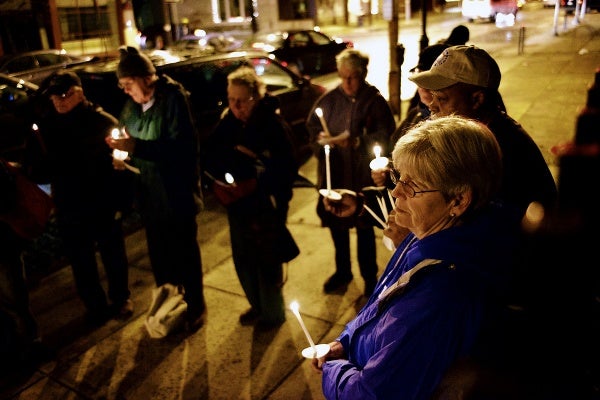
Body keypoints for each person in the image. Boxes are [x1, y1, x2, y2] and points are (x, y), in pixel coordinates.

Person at [312, 116, 524, 400]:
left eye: (412, 185)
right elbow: (379, 306)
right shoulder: (431, 231)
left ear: (458, 201)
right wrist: (346, 341)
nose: (396, 191)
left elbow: (371, 395)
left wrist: (333, 370)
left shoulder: (438, 299)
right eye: (398, 176)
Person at [106, 46, 206, 331]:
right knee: (161, 259)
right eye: (122, 86)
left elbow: (180, 149)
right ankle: (169, 305)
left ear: (145, 78)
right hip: (149, 197)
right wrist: (122, 157)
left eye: (128, 84)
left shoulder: (173, 100)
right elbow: (126, 135)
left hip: (176, 195)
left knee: (185, 256)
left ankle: (196, 306)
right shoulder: (132, 107)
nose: (126, 91)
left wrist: (135, 147)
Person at [29, 71, 133, 326]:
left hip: (101, 201)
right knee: (80, 260)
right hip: (69, 203)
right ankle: (95, 306)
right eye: (54, 97)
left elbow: (122, 162)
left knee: (112, 253)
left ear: (79, 93)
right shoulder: (47, 126)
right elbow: (35, 168)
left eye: (64, 95)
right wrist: (42, 167)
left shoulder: (101, 121)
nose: (59, 101)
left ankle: (120, 298)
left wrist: (121, 195)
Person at [408, 45, 557, 213]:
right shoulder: (476, 135)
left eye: (441, 98)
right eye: (433, 96)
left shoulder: (497, 151)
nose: (432, 106)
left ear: (476, 99)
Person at [203, 66, 298, 328]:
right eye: (230, 100)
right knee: (244, 260)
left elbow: (287, 167)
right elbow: (210, 153)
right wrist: (220, 181)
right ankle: (257, 306)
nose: (234, 106)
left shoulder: (272, 125)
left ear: (255, 97)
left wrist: (257, 181)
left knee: (267, 262)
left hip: (266, 206)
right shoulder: (229, 122)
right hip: (237, 205)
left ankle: (273, 313)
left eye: (241, 101)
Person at [306, 48, 396, 296]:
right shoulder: (330, 99)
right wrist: (320, 138)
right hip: (335, 175)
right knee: (338, 226)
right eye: (343, 76)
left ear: (362, 74)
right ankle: (342, 271)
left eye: (352, 77)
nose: (347, 82)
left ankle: (369, 278)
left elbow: (386, 135)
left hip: (361, 178)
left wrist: (357, 142)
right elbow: (313, 126)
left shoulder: (374, 100)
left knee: (364, 229)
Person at [0, 159, 54, 375]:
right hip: (3, 243)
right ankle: (25, 348)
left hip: (3, 242)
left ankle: (22, 348)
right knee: (14, 302)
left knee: (13, 301)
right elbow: (5, 198)